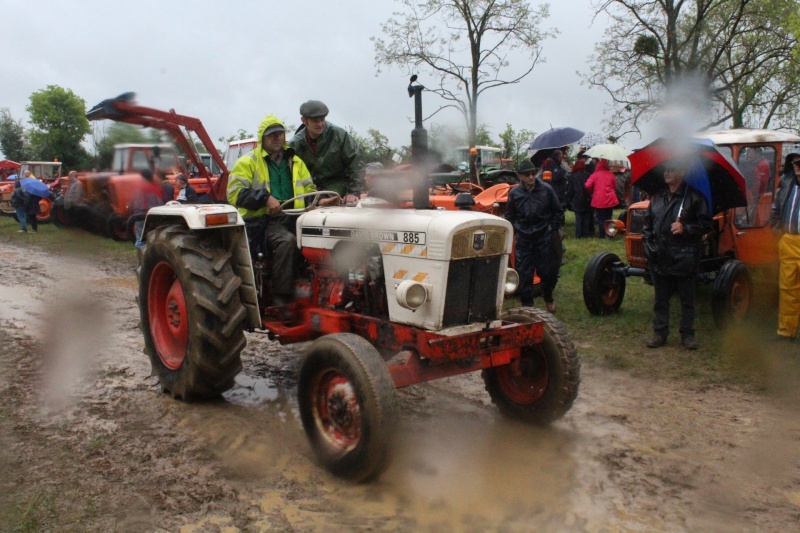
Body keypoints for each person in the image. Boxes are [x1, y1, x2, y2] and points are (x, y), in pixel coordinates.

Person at [228, 114, 336, 307]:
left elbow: (309, 192)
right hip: (261, 222)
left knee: (324, 235)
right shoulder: (248, 162)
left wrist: (321, 202)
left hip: (293, 218)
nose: (277, 138)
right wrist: (264, 198)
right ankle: (282, 299)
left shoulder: (295, 162)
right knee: (287, 242)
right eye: (272, 135)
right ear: (263, 138)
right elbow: (234, 194)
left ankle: (324, 289)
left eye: (280, 134)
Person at [642, 162, 712, 350]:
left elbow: (706, 225)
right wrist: (650, 247)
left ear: (682, 171)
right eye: (665, 169)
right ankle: (659, 333)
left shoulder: (695, 198)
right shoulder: (656, 198)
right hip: (660, 256)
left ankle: (687, 334)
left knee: (687, 299)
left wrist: (686, 228)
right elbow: (647, 225)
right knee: (661, 298)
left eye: (671, 169)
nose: (667, 172)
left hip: (685, 256)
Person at [505, 159, 564, 313]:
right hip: (524, 238)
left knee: (547, 272)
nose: (531, 177)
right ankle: (527, 306)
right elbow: (510, 216)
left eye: (533, 173)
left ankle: (548, 297)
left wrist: (551, 229)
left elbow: (558, 212)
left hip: (543, 236)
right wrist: (515, 231)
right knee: (524, 273)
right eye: (527, 174)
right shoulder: (514, 193)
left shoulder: (546, 190)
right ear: (521, 176)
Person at [289, 100, 364, 205]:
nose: (320, 124)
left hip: (337, 185)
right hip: (310, 190)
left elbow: (356, 163)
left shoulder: (339, 135)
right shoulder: (295, 144)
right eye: (315, 121)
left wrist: (353, 192)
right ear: (304, 121)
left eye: (322, 119)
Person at [769, 152, 800, 341]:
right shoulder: (787, 182)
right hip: (788, 240)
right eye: (796, 164)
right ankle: (786, 331)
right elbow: (776, 208)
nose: (798, 167)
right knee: (787, 288)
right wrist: (776, 230)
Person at [585, 159, 619, 238]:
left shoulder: (595, 174)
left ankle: (602, 235)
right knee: (609, 218)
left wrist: (591, 192)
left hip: (599, 199)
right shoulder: (611, 174)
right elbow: (615, 186)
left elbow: (587, 185)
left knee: (601, 218)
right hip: (610, 199)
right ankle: (610, 234)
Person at [131, 168, 164, 248]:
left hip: (138, 215)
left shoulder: (136, 188)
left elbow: (132, 202)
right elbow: (159, 202)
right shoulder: (155, 188)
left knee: (140, 238)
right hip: (151, 215)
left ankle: (140, 254)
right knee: (153, 237)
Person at [566, 157, 592, 238]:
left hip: (577, 199)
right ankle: (586, 234)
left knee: (579, 218)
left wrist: (569, 198)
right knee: (586, 218)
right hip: (587, 200)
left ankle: (578, 235)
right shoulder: (588, 175)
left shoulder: (572, 176)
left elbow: (570, 189)